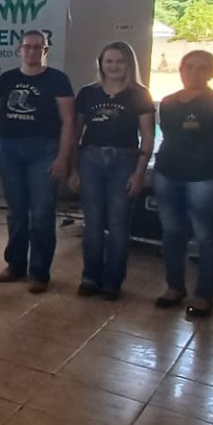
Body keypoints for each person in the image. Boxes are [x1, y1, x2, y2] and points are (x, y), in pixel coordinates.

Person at [152, 51, 213, 319]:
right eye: (189, 67)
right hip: (168, 175)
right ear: (180, 69)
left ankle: (204, 296)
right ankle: (174, 287)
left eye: (202, 68)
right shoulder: (168, 103)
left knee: (207, 237)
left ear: (211, 73)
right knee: (172, 233)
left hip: (206, 180)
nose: (194, 73)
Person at [0, 31, 76, 294]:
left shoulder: (58, 79)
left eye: (38, 47)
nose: (32, 51)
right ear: (19, 49)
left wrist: (63, 157)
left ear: (45, 50)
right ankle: (15, 265)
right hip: (8, 150)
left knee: (42, 214)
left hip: (44, 151)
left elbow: (69, 121)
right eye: (27, 47)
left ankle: (39, 272)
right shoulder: (6, 79)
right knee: (16, 212)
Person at [70, 42, 155, 300]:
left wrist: (139, 173)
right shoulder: (88, 93)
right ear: (101, 64)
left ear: (129, 64)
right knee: (93, 223)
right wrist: (73, 169)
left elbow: (147, 137)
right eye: (109, 61)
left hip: (124, 161)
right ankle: (90, 277)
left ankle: (112, 280)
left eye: (120, 61)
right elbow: (75, 133)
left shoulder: (139, 94)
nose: (114, 66)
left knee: (118, 224)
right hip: (90, 159)